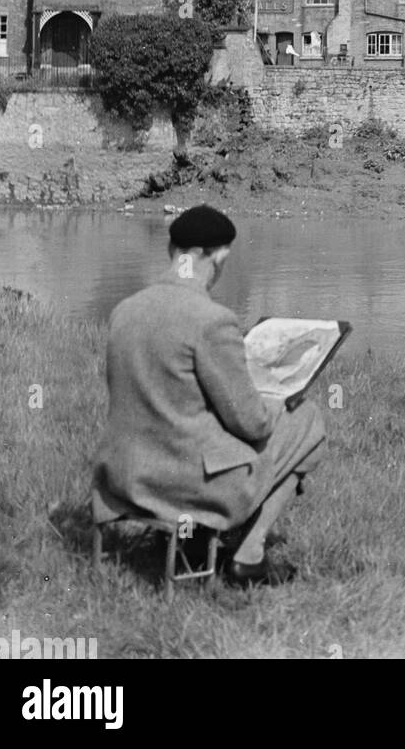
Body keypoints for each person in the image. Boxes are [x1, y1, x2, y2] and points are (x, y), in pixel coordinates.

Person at [91, 204, 326, 586]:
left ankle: (199, 543)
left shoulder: (125, 310)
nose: (222, 268)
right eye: (223, 259)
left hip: (122, 477)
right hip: (179, 484)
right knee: (308, 419)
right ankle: (248, 556)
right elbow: (251, 424)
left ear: (173, 250)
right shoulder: (211, 320)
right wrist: (273, 402)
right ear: (211, 258)